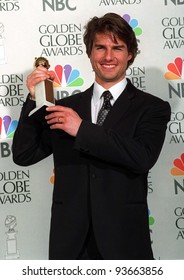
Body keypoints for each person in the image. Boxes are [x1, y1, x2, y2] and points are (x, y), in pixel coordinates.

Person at [12, 13, 171, 260]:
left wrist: (82, 129)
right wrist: (34, 99)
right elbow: (24, 154)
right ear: (89, 53)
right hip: (71, 246)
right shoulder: (65, 107)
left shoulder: (151, 107)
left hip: (125, 243)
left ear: (130, 54)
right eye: (100, 47)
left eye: (117, 48)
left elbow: (142, 157)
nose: (108, 56)